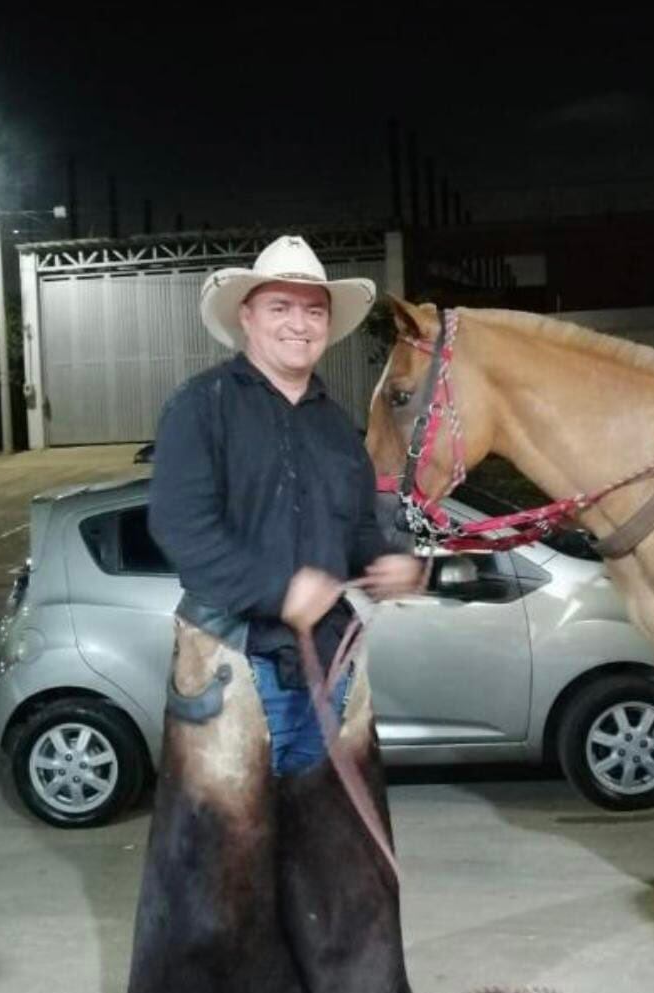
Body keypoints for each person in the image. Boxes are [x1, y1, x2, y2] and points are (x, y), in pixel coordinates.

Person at [126, 233, 424, 993]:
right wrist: (278, 587)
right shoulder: (201, 409)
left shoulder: (336, 430)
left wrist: (386, 559)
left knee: (344, 882)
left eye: (313, 309)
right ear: (248, 318)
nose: (300, 323)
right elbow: (183, 529)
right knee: (218, 894)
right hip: (230, 678)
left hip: (326, 683)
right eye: (282, 306)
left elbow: (357, 530)